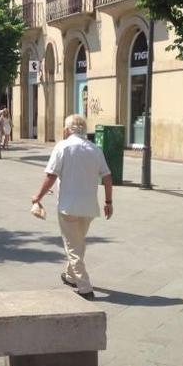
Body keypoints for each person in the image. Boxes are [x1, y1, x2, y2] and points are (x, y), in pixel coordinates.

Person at [31, 114, 113, 300]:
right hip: (89, 207)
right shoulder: (94, 149)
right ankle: (70, 275)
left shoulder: (63, 147)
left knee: (73, 247)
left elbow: (51, 175)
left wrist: (38, 196)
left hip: (68, 206)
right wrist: (109, 202)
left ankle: (85, 287)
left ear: (67, 129)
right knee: (78, 243)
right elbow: (107, 176)